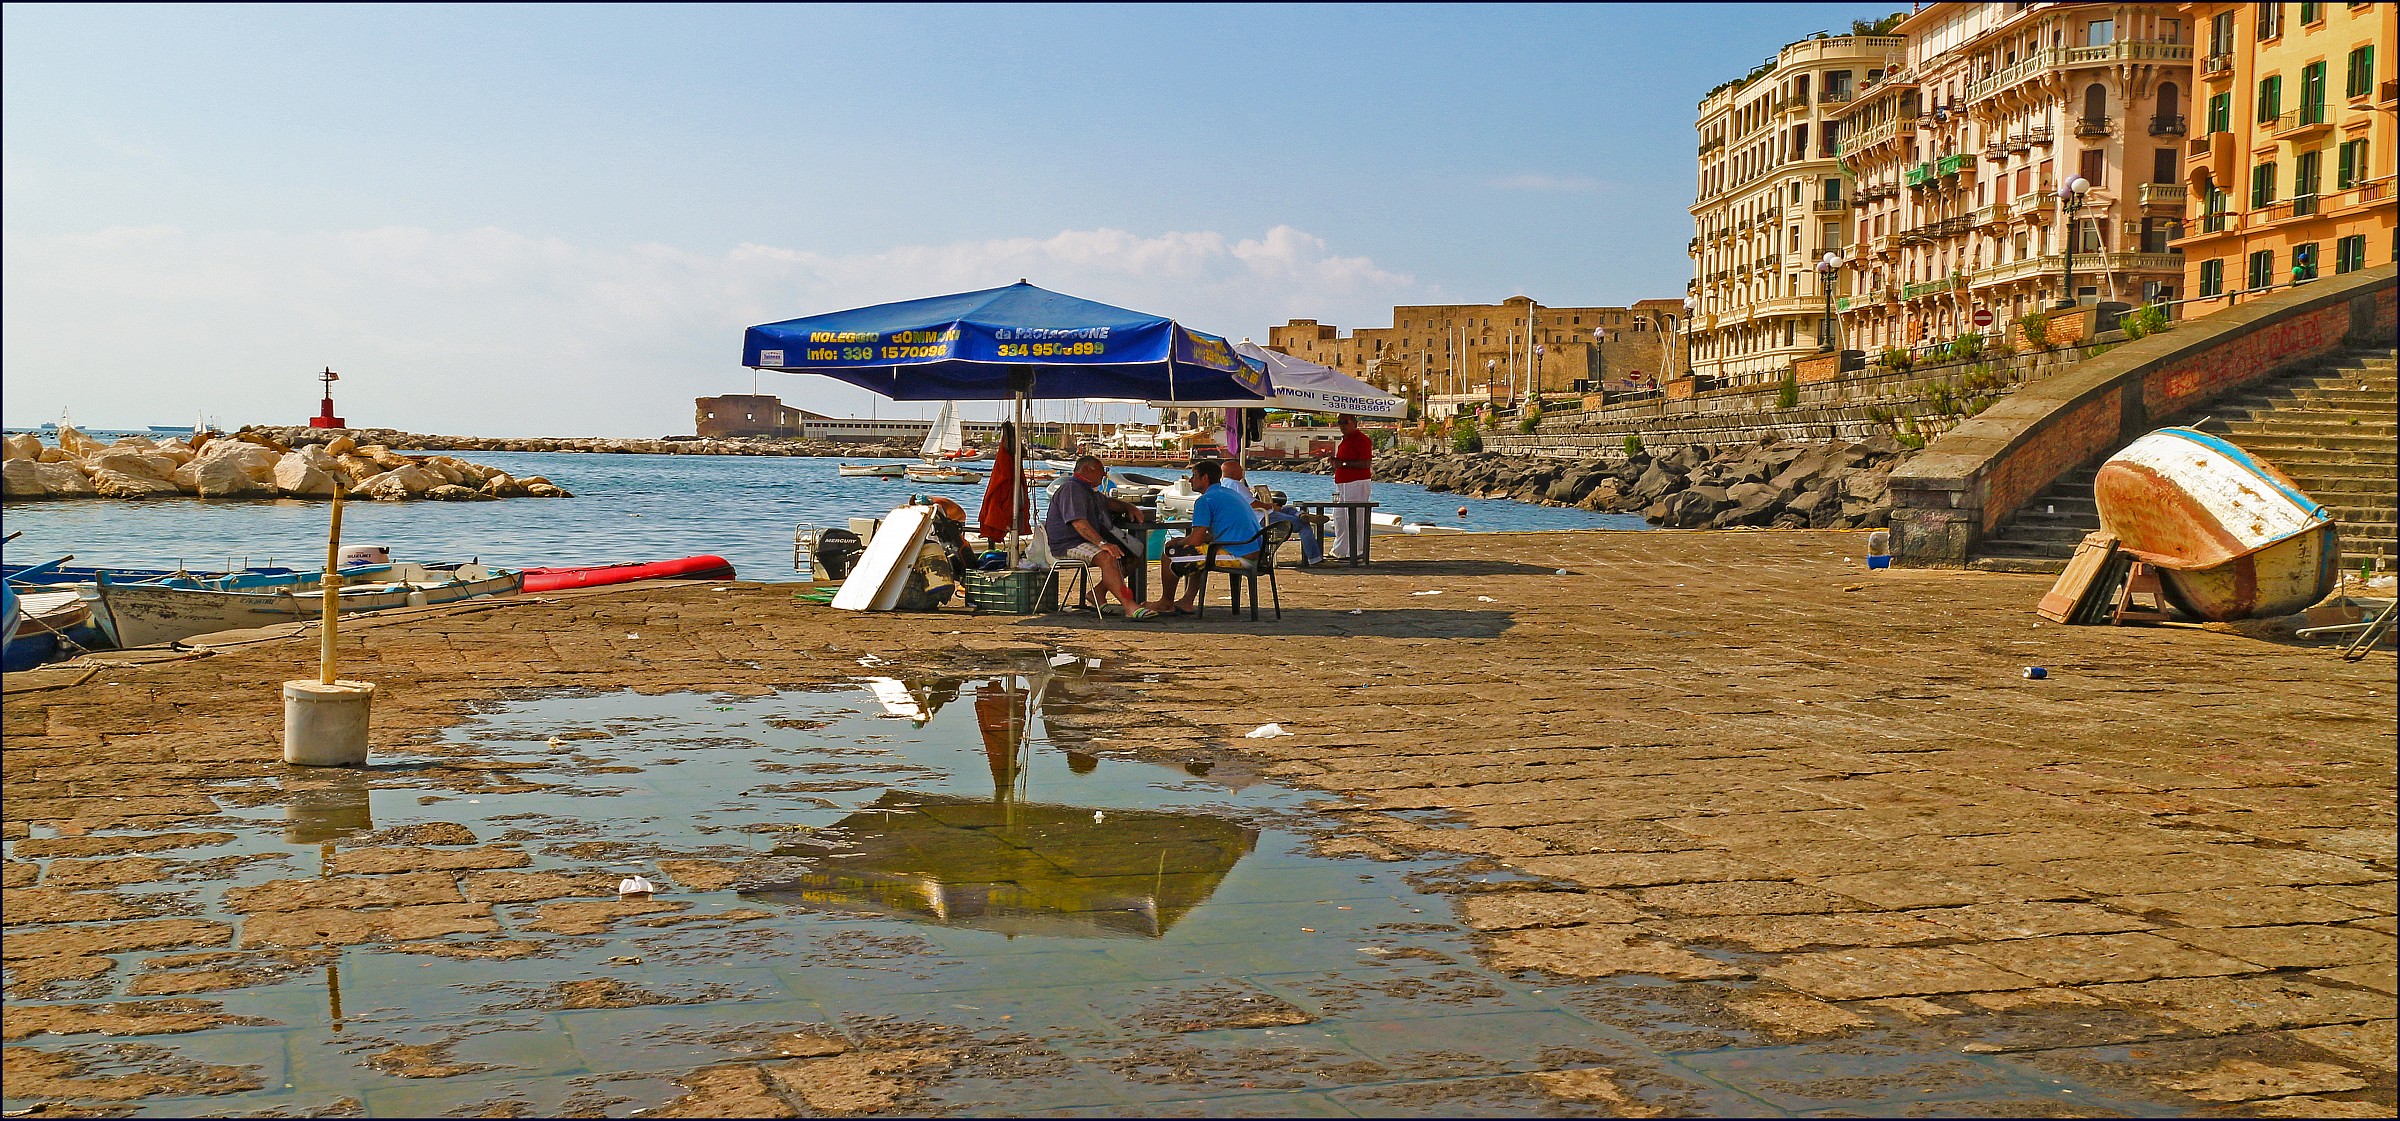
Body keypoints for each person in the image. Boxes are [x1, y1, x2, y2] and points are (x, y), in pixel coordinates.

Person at [1145, 459, 1262, 616]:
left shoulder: (1205, 500)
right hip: (1254, 551)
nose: (1191, 480)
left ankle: (1166, 603)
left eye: (1194, 476)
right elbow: (1220, 531)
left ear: (1205, 478)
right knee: (1199, 552)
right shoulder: (1230, 493)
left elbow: (1195, 540)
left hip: (1239, 555)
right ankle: (1187, 601)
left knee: (1169, 555)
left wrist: (1176, 542)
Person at [1043, 455, 1154, 619]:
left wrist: (1128, 506)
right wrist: (1103, 543)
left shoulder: (1089, 491)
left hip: (1083, 541)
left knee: (1133, 555)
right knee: (1108, 557)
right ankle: (1129, 606)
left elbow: (1107, 503)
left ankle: (1097, 593)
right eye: (1102, 470)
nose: (1104, 475)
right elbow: (1079, 523)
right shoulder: (1071, 489)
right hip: (1068, 544)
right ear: (1088, 469)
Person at [1329, 414, 1374, 560]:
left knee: (1355, 517)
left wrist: (1342, 464)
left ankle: (1358, 550)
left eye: (1345, 422)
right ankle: (1341, 550)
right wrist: (1338, 461)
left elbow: (1366, 463)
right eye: (1340, 422)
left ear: (1354, 423)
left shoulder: (1362, 440)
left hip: (1357, 482)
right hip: (1343, 483)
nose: (1342, 425)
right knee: (1340, 517)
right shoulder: (1345, 441)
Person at [1266, 491, 1323, 565]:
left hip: (1268, 511)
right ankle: (1315, 559)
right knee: (1303, 524)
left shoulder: (1247, 491)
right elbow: (1253, 504)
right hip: (1265, 515)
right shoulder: (1246, 494)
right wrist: (1268, 506)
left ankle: (1301, 515)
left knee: (1289, 508)